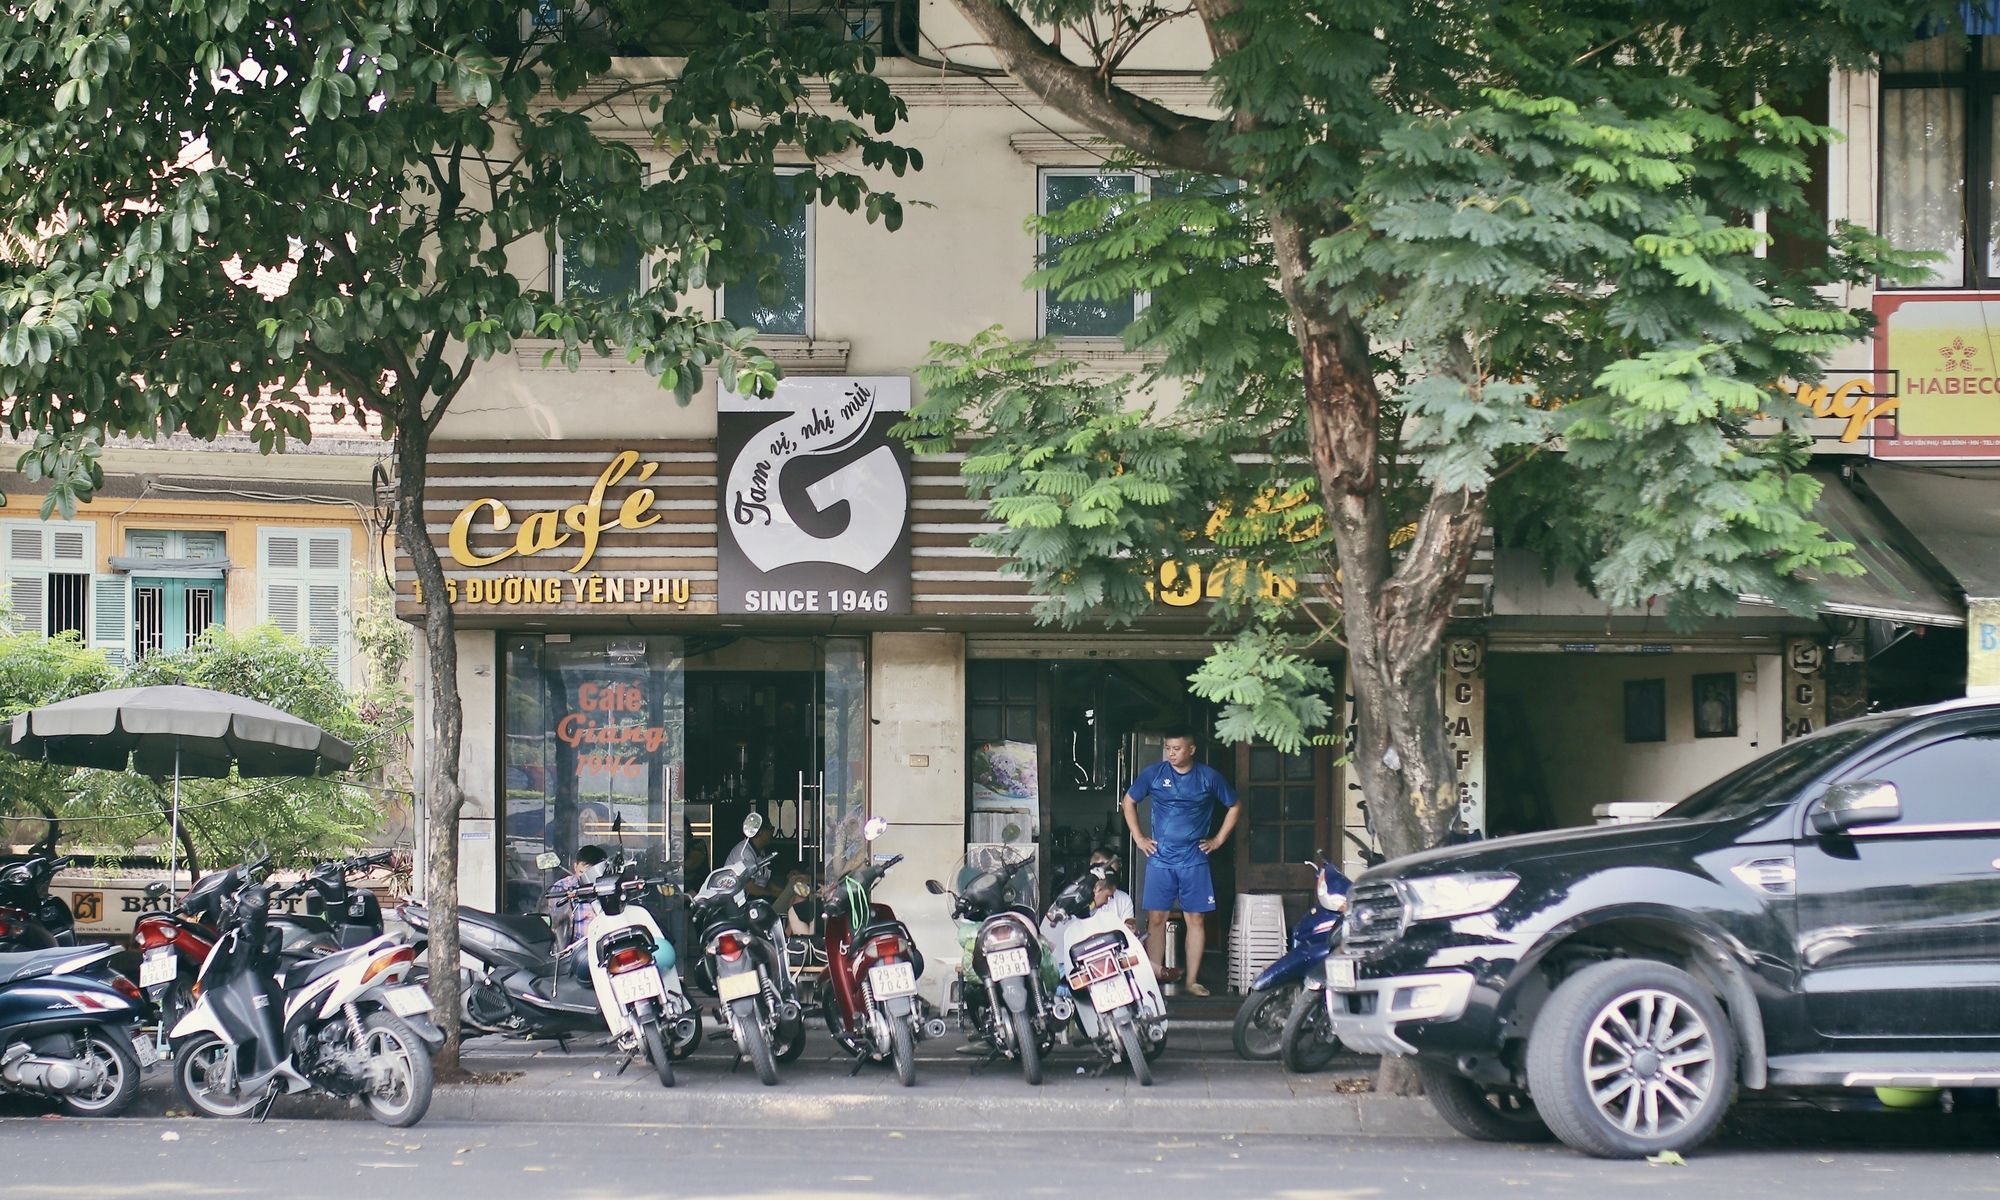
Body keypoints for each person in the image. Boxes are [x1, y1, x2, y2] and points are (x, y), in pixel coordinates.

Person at [1123, 726, 1237, 996]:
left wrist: (1218, 840)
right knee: (1156, 919)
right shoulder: (1154, 773)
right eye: (1168, 749)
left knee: (1195, 919)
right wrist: (1139, 838)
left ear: (1191, 750)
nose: (1171, 754)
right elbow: (1128, 802)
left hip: (1194, 859)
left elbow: (1235, 805)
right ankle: (1153, 980)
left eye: (1176, 749)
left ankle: (1192, 980)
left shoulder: (1208, 777)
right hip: (1160, 859)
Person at [558, 845, 610, 984]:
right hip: (575, 954)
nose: (586, 879)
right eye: (582, 872)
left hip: (606, 948)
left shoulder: (608, 886)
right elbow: (557, 927)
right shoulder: (562, 888)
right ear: (575, 867)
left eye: (592, 873)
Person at [723, 818, 782, 899]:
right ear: (760, 832)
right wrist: (773, 895)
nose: (772, 833)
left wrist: (782, 894)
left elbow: (766, 881)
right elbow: (750, 888)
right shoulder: (743, 852)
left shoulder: (760, 851)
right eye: (771, 829)